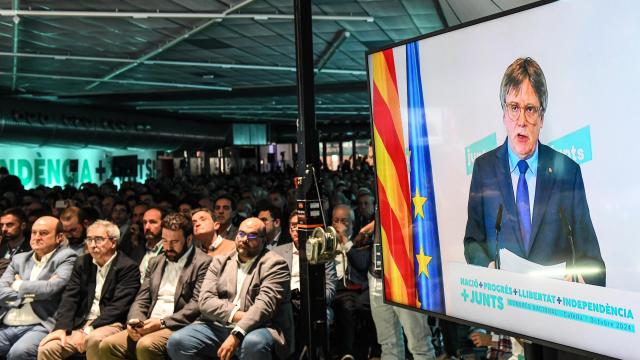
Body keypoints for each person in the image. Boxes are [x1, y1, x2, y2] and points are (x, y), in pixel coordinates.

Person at [463, 57, 605, 286]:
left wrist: (580, 281)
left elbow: (592, 260)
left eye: (530, 109)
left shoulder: (568, 173)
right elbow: (472, 242)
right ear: (503, 114)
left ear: (541, 118)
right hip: (503, 308)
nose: (521, 121)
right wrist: (488, 269)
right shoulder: (484, 169)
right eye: (514, 108)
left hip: (554, 312)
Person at [166, 217, 293, 360]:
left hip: (260, 327)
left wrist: (237, 333)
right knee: (178, 341)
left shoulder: (275, 264)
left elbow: (264, 307)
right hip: (220, 324)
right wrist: (236, 314)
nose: (244, 239)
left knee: (253, 342)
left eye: (252, 235)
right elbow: (205, 301)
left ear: (264, 240)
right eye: (241, 234)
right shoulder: (220, 261)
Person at [99, 212, 211, 360]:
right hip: (149, 322)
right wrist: (135, 321)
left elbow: (197, 304)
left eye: (174, 242)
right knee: (108, 345)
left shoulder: (204, 262)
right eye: (164, 240)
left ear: (189, 239)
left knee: (146, 345)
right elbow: (142, 298)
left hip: (178, 325)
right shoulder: (155, 262)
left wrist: (162, 323)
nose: (168, 247)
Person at [37, 220, 140, 360]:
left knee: (94, 339)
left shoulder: (128, 267)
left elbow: (118, 307)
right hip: (81, 323)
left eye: (98, 239)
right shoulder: (82, 263)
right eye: (89, 239)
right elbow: (70, 298)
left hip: (111, 323)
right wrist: (61, 328)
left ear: (113, 242)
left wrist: (88, 330)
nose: (92, 245)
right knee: (48, 348)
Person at [0, 216, 78, 359]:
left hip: (40, 324)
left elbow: (52, 288)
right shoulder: (19, 259)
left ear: (59, 237)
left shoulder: (67, 257)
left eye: (43, 233)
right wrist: (31, 293)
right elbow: (1, 292)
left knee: (18, 353)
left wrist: (18, 285)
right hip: (6, 323)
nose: (36, 237)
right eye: (34, 233)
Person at [272, 211, 338, 358]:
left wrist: (311, 299)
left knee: (320, 318)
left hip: (316, 304)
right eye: (293, 226)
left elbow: (330, 290)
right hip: (285, 303)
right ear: (289, 230)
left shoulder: (323, 252)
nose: (296, 229)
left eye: (300, 225)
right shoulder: (277, 253)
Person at [0, 208, 31, 276]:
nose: (4, 229)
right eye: (2, 225)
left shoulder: (31, 250)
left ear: (23, 226)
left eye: (10, 225)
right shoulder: (1, 248)